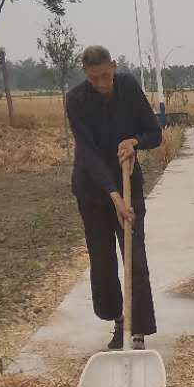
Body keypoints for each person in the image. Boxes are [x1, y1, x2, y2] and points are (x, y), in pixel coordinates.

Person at [66, 45, 162, 349]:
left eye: (105, 76)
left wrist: (134, 141)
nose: (101, 84)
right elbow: (87, 153)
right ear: (86, 74)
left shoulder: (129, 87)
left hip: (128, 183)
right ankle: (119, 320)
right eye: (93, 79)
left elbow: (154, 133)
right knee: (102, 262)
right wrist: (114, 197)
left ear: (114, 66)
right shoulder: (76, 100)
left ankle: (138, 329)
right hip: (93, 190)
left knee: (135, 257)